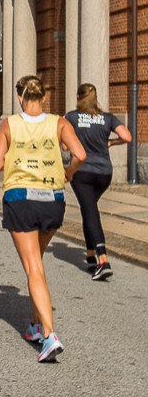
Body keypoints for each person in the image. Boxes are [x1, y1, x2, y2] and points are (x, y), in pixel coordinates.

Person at [0, 75, 86, 362]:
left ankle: (50, 334)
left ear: (21, 98)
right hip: (53, 200)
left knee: (33, 267)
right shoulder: (59, 123)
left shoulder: (10, 124)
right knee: (37, 265)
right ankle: (34, 326)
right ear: (45, 97)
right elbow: (80, 154)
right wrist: (68, 172)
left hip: (21, 199)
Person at [65, 82, 132, 280]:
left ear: (78, 97)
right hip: (104, 173)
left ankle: (104, 260)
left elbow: (64, 145)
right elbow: (127, 137)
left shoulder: (72, 117)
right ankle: (91, 255)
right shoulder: (107, 118)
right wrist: (109, 142)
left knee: (89, 210)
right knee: (89, 209)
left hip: (82, 171)